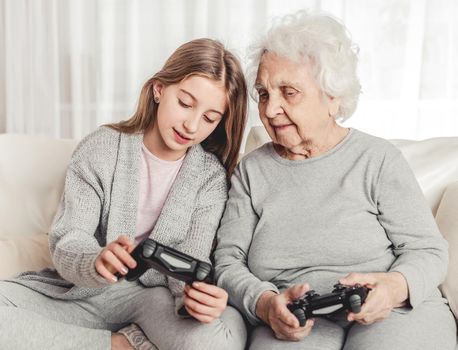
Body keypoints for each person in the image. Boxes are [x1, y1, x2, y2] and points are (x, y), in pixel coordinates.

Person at [214, 11, 457, 350]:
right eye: (264, 93)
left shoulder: (377, 159)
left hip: (393, 312)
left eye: (289, 92)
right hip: (296, 317)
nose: (269, 110)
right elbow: (227, 261)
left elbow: (428, 250)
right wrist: (265, 302)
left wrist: (393, 287)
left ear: (333, 97)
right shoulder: (251, 172)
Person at [0, 38, 248, 350]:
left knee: (223, 337)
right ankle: (120, 345)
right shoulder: (100, 148)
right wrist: (96, 260)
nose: (192, 124)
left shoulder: (210, 178)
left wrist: (195, 297)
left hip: (157, 301)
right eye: (185, 103)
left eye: (210, 118)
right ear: (159, 89)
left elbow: (192, 258)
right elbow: (70, 238)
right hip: (85, 293)